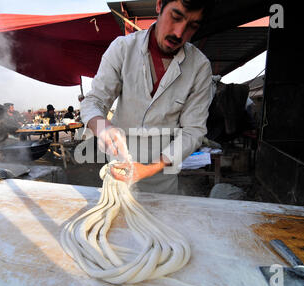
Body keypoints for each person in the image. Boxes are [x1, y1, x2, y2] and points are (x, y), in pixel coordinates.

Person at [81, 0, 214, 194]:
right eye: (175, 17)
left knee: (160, 219)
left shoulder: (199, 67)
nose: (179, 33)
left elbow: (193, 131)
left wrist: (149, 168)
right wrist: (103, 127)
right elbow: (94, 102)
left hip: (162, 177)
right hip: (119, 170)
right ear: (159, 5)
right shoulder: (123, 49)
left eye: (191, 26)